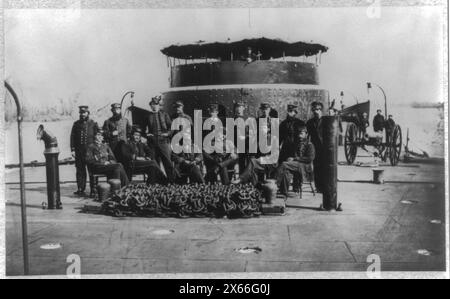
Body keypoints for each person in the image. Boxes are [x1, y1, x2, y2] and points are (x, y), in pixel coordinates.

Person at [276, 126, 315, 197]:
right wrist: (291, 159)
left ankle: (275, 184)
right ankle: (284, 192)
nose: (299, 136)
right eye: (298, 134)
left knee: (284, 164)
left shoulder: (310, 145)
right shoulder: (297, 144)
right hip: (297, 165)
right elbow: (295, 156)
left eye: (301, 134)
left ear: (306, 134)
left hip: (305, 166)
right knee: (286, 172)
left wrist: (295, 159)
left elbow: (310, 158)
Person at [144, 96, 175, 182]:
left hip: (163, 141)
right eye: (153, 105)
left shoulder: (164, 115)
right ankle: (159, 181)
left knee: (167, 162)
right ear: (150, 106)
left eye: (156, 104)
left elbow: (171, 128)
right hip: (152, 142)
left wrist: (167, 134)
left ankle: (171, 181)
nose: (154, 106)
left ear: (159, 105)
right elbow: (143, 130)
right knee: (155, 163)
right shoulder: (147, 116)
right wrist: (147, 135)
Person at [70, 106, 99, 196]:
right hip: (79, 152)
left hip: (90, 152)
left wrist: (96, 150)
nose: (82, 114)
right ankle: (80, 188)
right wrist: (73, 150)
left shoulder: (93, 124)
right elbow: (72, 137)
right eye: (81, 113)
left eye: (84, 113)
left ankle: (93, 190)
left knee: (92, 170)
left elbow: (98, 137)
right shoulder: (76, 124)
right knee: (80, 171)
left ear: (88, 113)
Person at [306, 101, 325, 192]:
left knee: (325, 167)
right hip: (315, 148)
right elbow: (307, 136)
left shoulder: (326, 121)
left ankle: (325, 186)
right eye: (314, 110)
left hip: (325, 148)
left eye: (318, 109)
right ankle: (319, 187)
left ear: (321, 110)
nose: (316, 111)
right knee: (316, 168)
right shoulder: (309, 123)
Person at [233, 100, 251, 173]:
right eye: (237, 107)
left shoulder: (247, 119)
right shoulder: (233, 119)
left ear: (243, 108)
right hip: (237, 144)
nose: (239, 109)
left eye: (240, 107)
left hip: (246, 143)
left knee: (249, 161)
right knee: (242, 162)